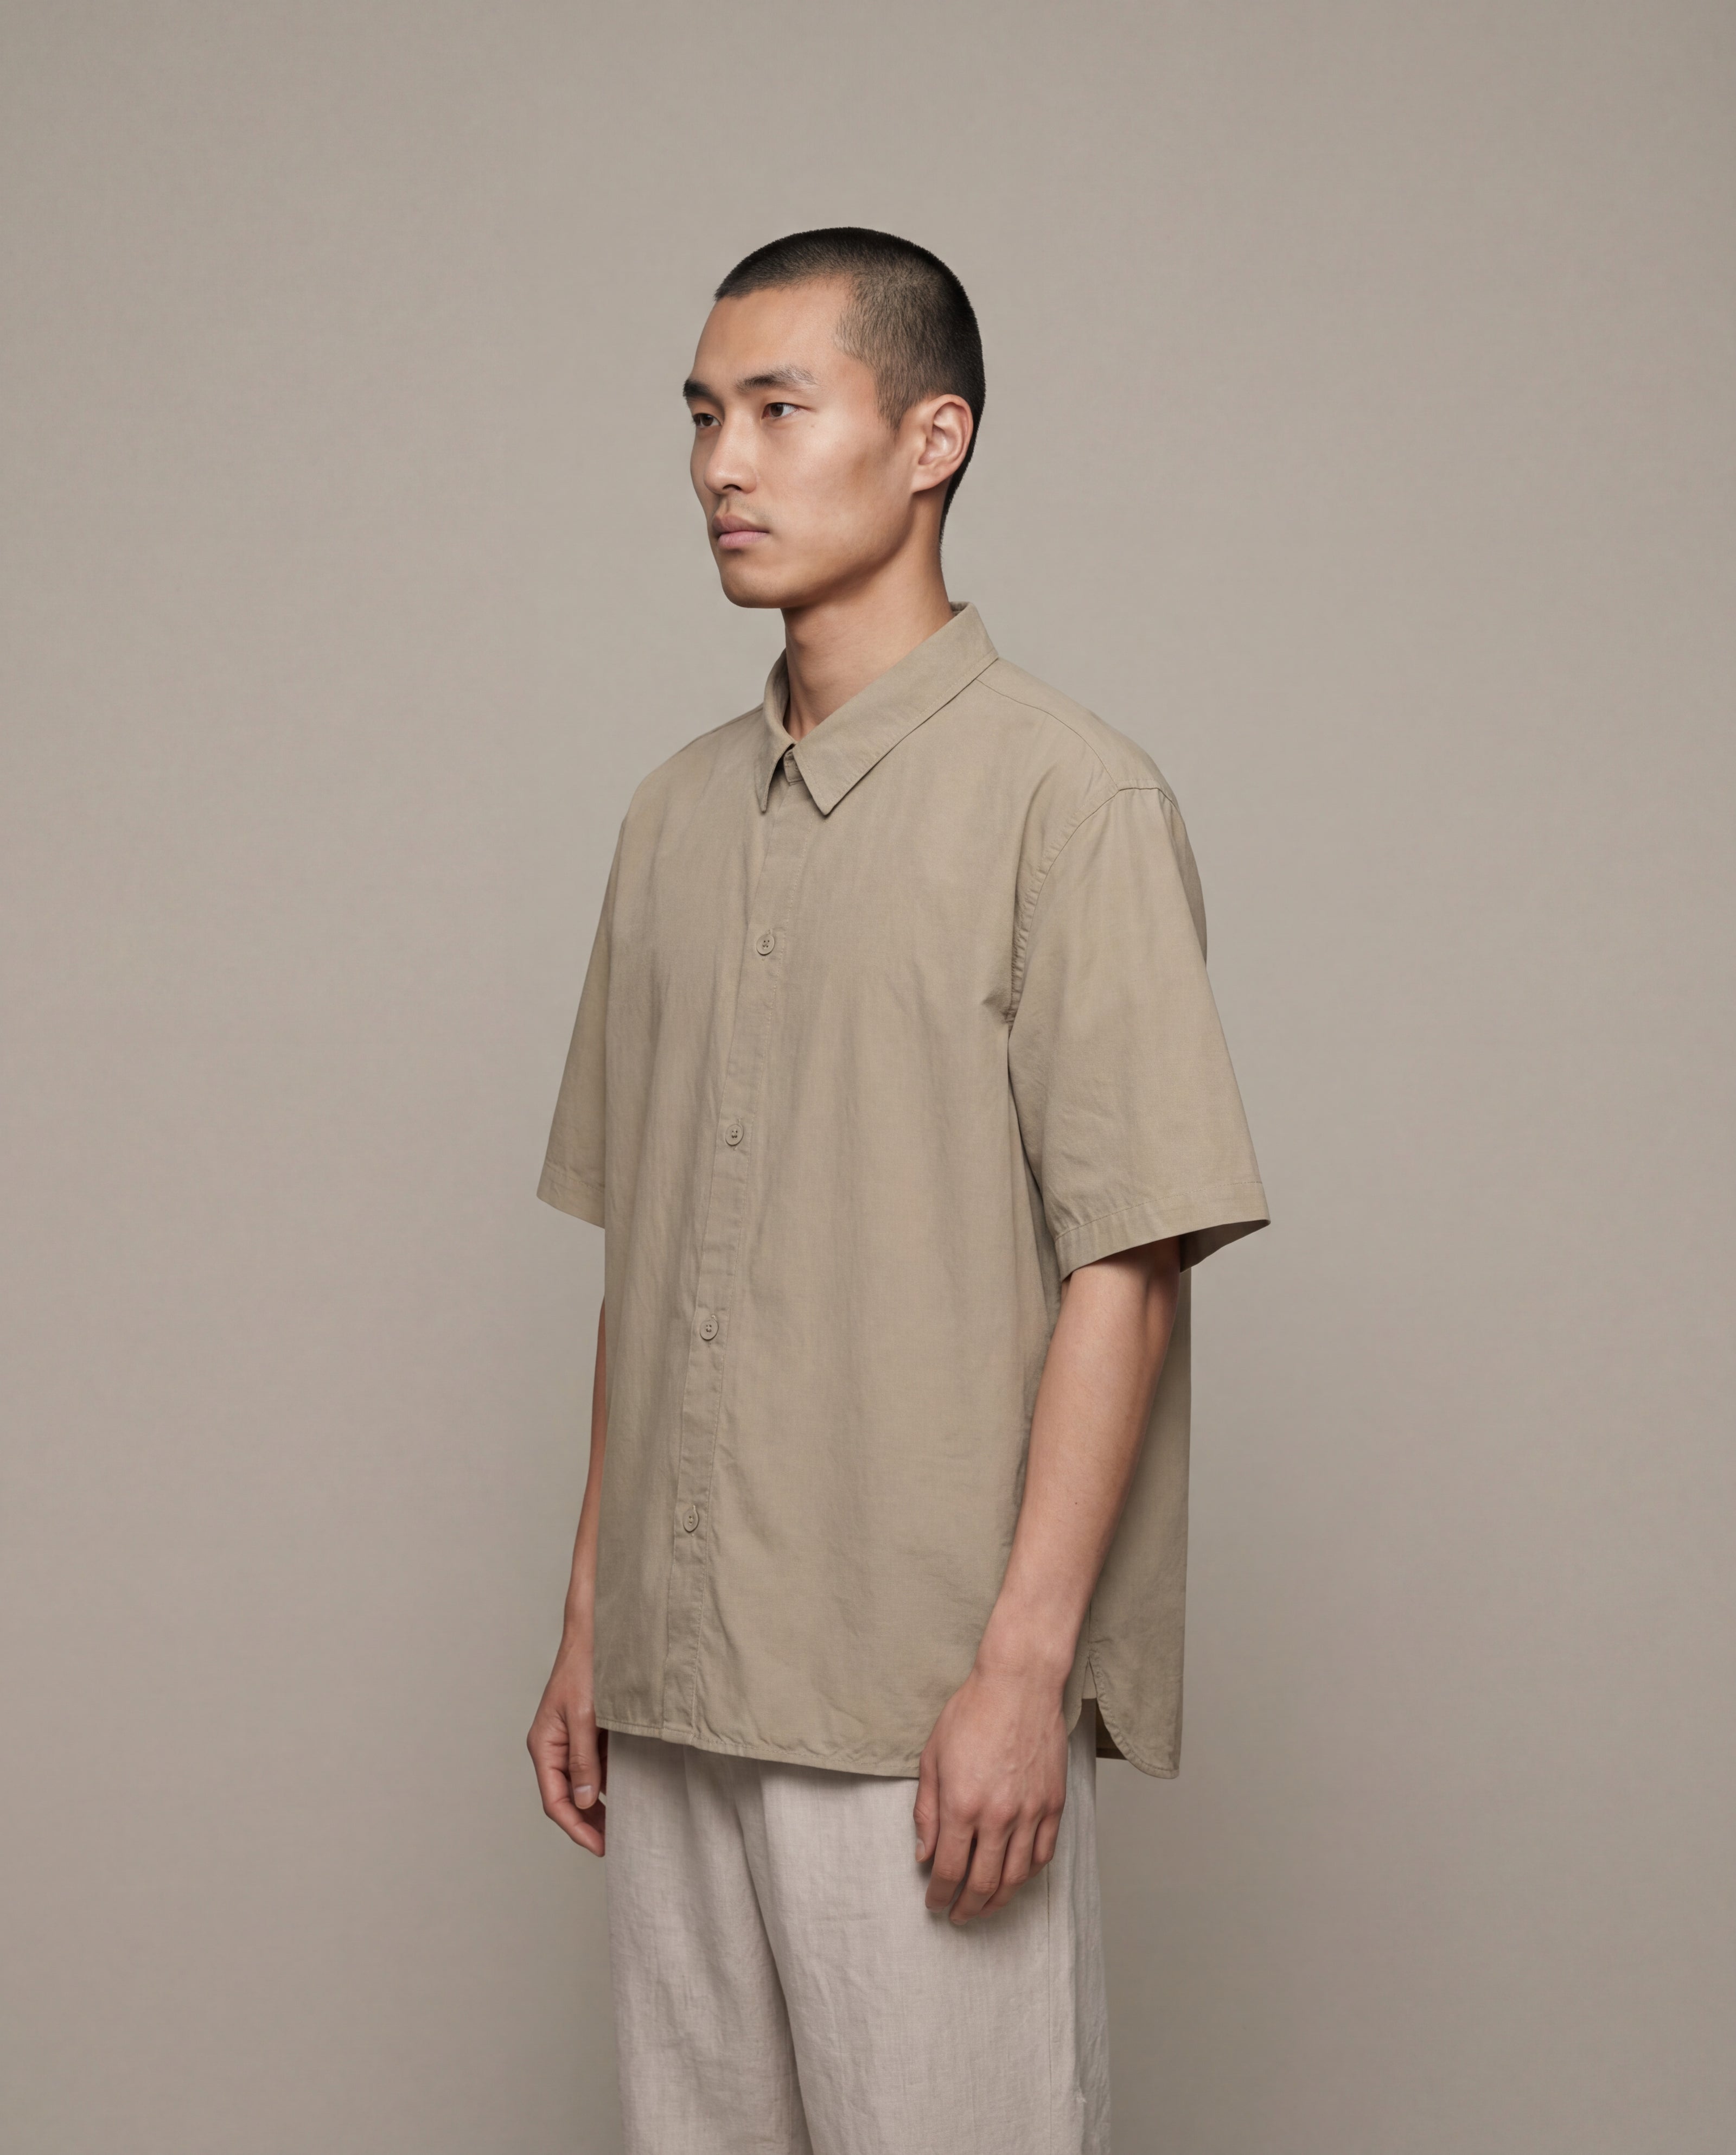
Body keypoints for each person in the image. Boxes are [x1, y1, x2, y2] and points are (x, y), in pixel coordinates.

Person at [527, 226, 1267, 2155]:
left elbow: (1130, 1260)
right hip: (678, 1693)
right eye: (703, 415)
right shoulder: (670, 817)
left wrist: (1025, 1669)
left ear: (934, 439)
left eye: (780, 409)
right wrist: (595, 1620)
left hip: (915, 1699)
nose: (722, 463)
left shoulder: (1071, 802)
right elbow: (647, 1254)